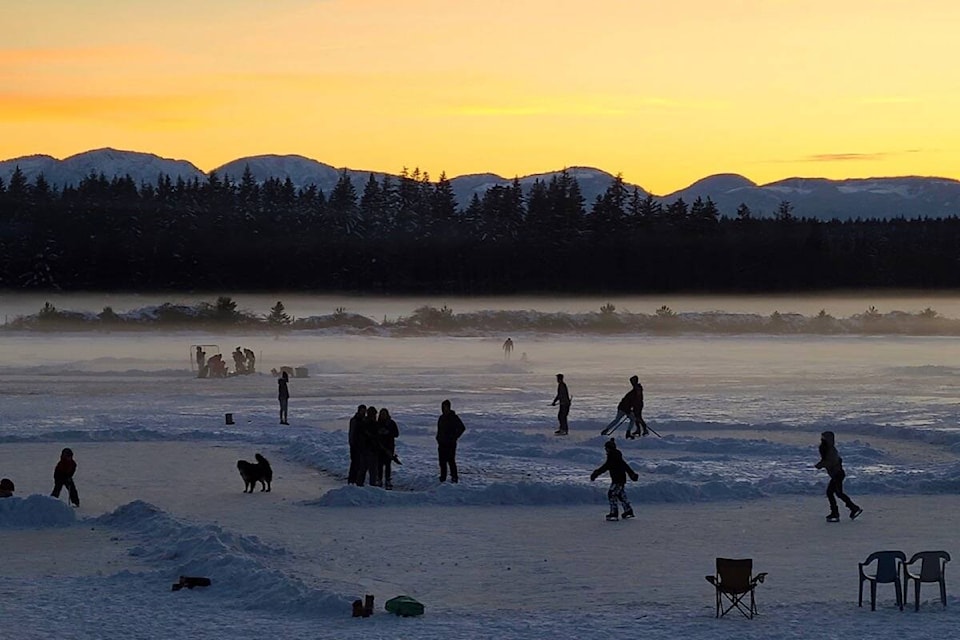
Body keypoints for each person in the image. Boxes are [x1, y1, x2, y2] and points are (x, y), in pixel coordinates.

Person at [815, 431, 863, 522]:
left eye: (824, 438)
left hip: (838, 474)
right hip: (836, 474)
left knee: (835, 493)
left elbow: (831, 461)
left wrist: (820, 465)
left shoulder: (830, 450)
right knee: (835, 493)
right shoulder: (827, 449)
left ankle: (844, 511)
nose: (822, 440)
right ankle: (850, 509)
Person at [590, 438, 639, 521]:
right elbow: (626, 466)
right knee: (620, 495)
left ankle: (614, 513)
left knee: (611, 494)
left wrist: (596, 473)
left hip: (617, 480)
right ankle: (628, 511)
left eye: (606, 448)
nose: (605, 450)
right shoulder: (616, 456)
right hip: (620, 479)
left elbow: (605, 467)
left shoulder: (612, 457)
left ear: (609, 448)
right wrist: (632, 474)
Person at [436, 399, 466, 483]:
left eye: (446, 407)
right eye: (443, 407)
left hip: (450, 443)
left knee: (451, 460)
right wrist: (438, 437)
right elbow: (439, 429)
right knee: (442, 461)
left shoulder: (453, 417)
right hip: (441, 443)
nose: (444, 409)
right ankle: (443, 477)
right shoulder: (441, 418)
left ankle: (454, 477)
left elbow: (462, 428)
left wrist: (454, 437)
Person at [377, 407, 400, 490]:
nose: (383, 416)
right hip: (379, 447)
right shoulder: (377, 423)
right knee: (379, 464)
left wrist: (388, 433)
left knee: (387, 464)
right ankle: (379, 479)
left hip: (389, 447)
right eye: (382, 414)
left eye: (384, 414)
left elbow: (396, 434)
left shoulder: (391, 423)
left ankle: (387, 480)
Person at [347, 404, 366, 485]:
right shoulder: (355, 420)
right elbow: (352, 433)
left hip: (362, 445)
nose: (363, 412)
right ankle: (351, 480)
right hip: (355, 445)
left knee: (360, 464)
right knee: (355, 463)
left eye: (364, 410)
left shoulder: (364, 420)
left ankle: (356, 480)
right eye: (362, 410)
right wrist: (352, 443)